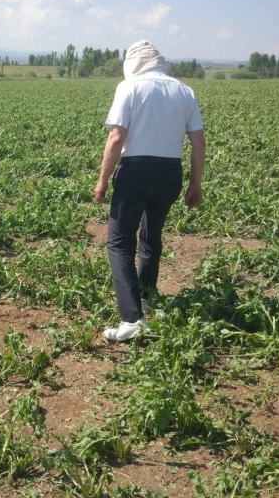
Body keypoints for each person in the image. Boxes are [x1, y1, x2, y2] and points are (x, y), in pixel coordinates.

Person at [94, 40, 206, 341]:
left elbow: (117, 137)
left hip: (136, 171)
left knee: (118, 242)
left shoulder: (129, 88)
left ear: (133, 64)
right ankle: (144, 298)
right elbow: (198, 141)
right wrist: (195, 183)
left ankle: (132, 319)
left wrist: (103, 179)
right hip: (170, 174)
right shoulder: (184, 90)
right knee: (151, 235)